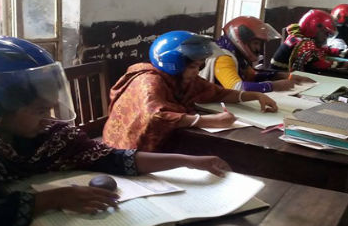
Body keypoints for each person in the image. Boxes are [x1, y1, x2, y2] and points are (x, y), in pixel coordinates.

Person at [0, 36, 233, 226]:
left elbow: (109, 157)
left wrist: (188, 161)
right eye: (37, 110)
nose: (48, 119)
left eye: (49, 108)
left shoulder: (41, 133)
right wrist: (54, 198)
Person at [103, 30, 278, 151]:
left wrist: (253, 96)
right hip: (128, 149)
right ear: (174, 63)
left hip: (165, 141)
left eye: (199, 66)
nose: (197, 71)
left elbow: (217, 92)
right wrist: (206, 121)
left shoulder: (182, 78)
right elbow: (155, 116)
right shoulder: (149, 81)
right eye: (194, 66)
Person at [199, 16, 313, 93]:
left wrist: (283, 76)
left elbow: (251, 75)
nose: (258, 48)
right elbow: (236, 88)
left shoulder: (238, 54)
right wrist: (272, 86)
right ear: (240, 39)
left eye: (260, 44)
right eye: (256, 43)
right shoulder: (224, 57)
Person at [271, 9, 348, 72]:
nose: (326, 37)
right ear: (315, 28)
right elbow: (315, 63)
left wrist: (344, 52)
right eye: (325, 34)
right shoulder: (300, 42)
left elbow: (323, 50)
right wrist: (342, 64)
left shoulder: (304, 38)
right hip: (279, 78)